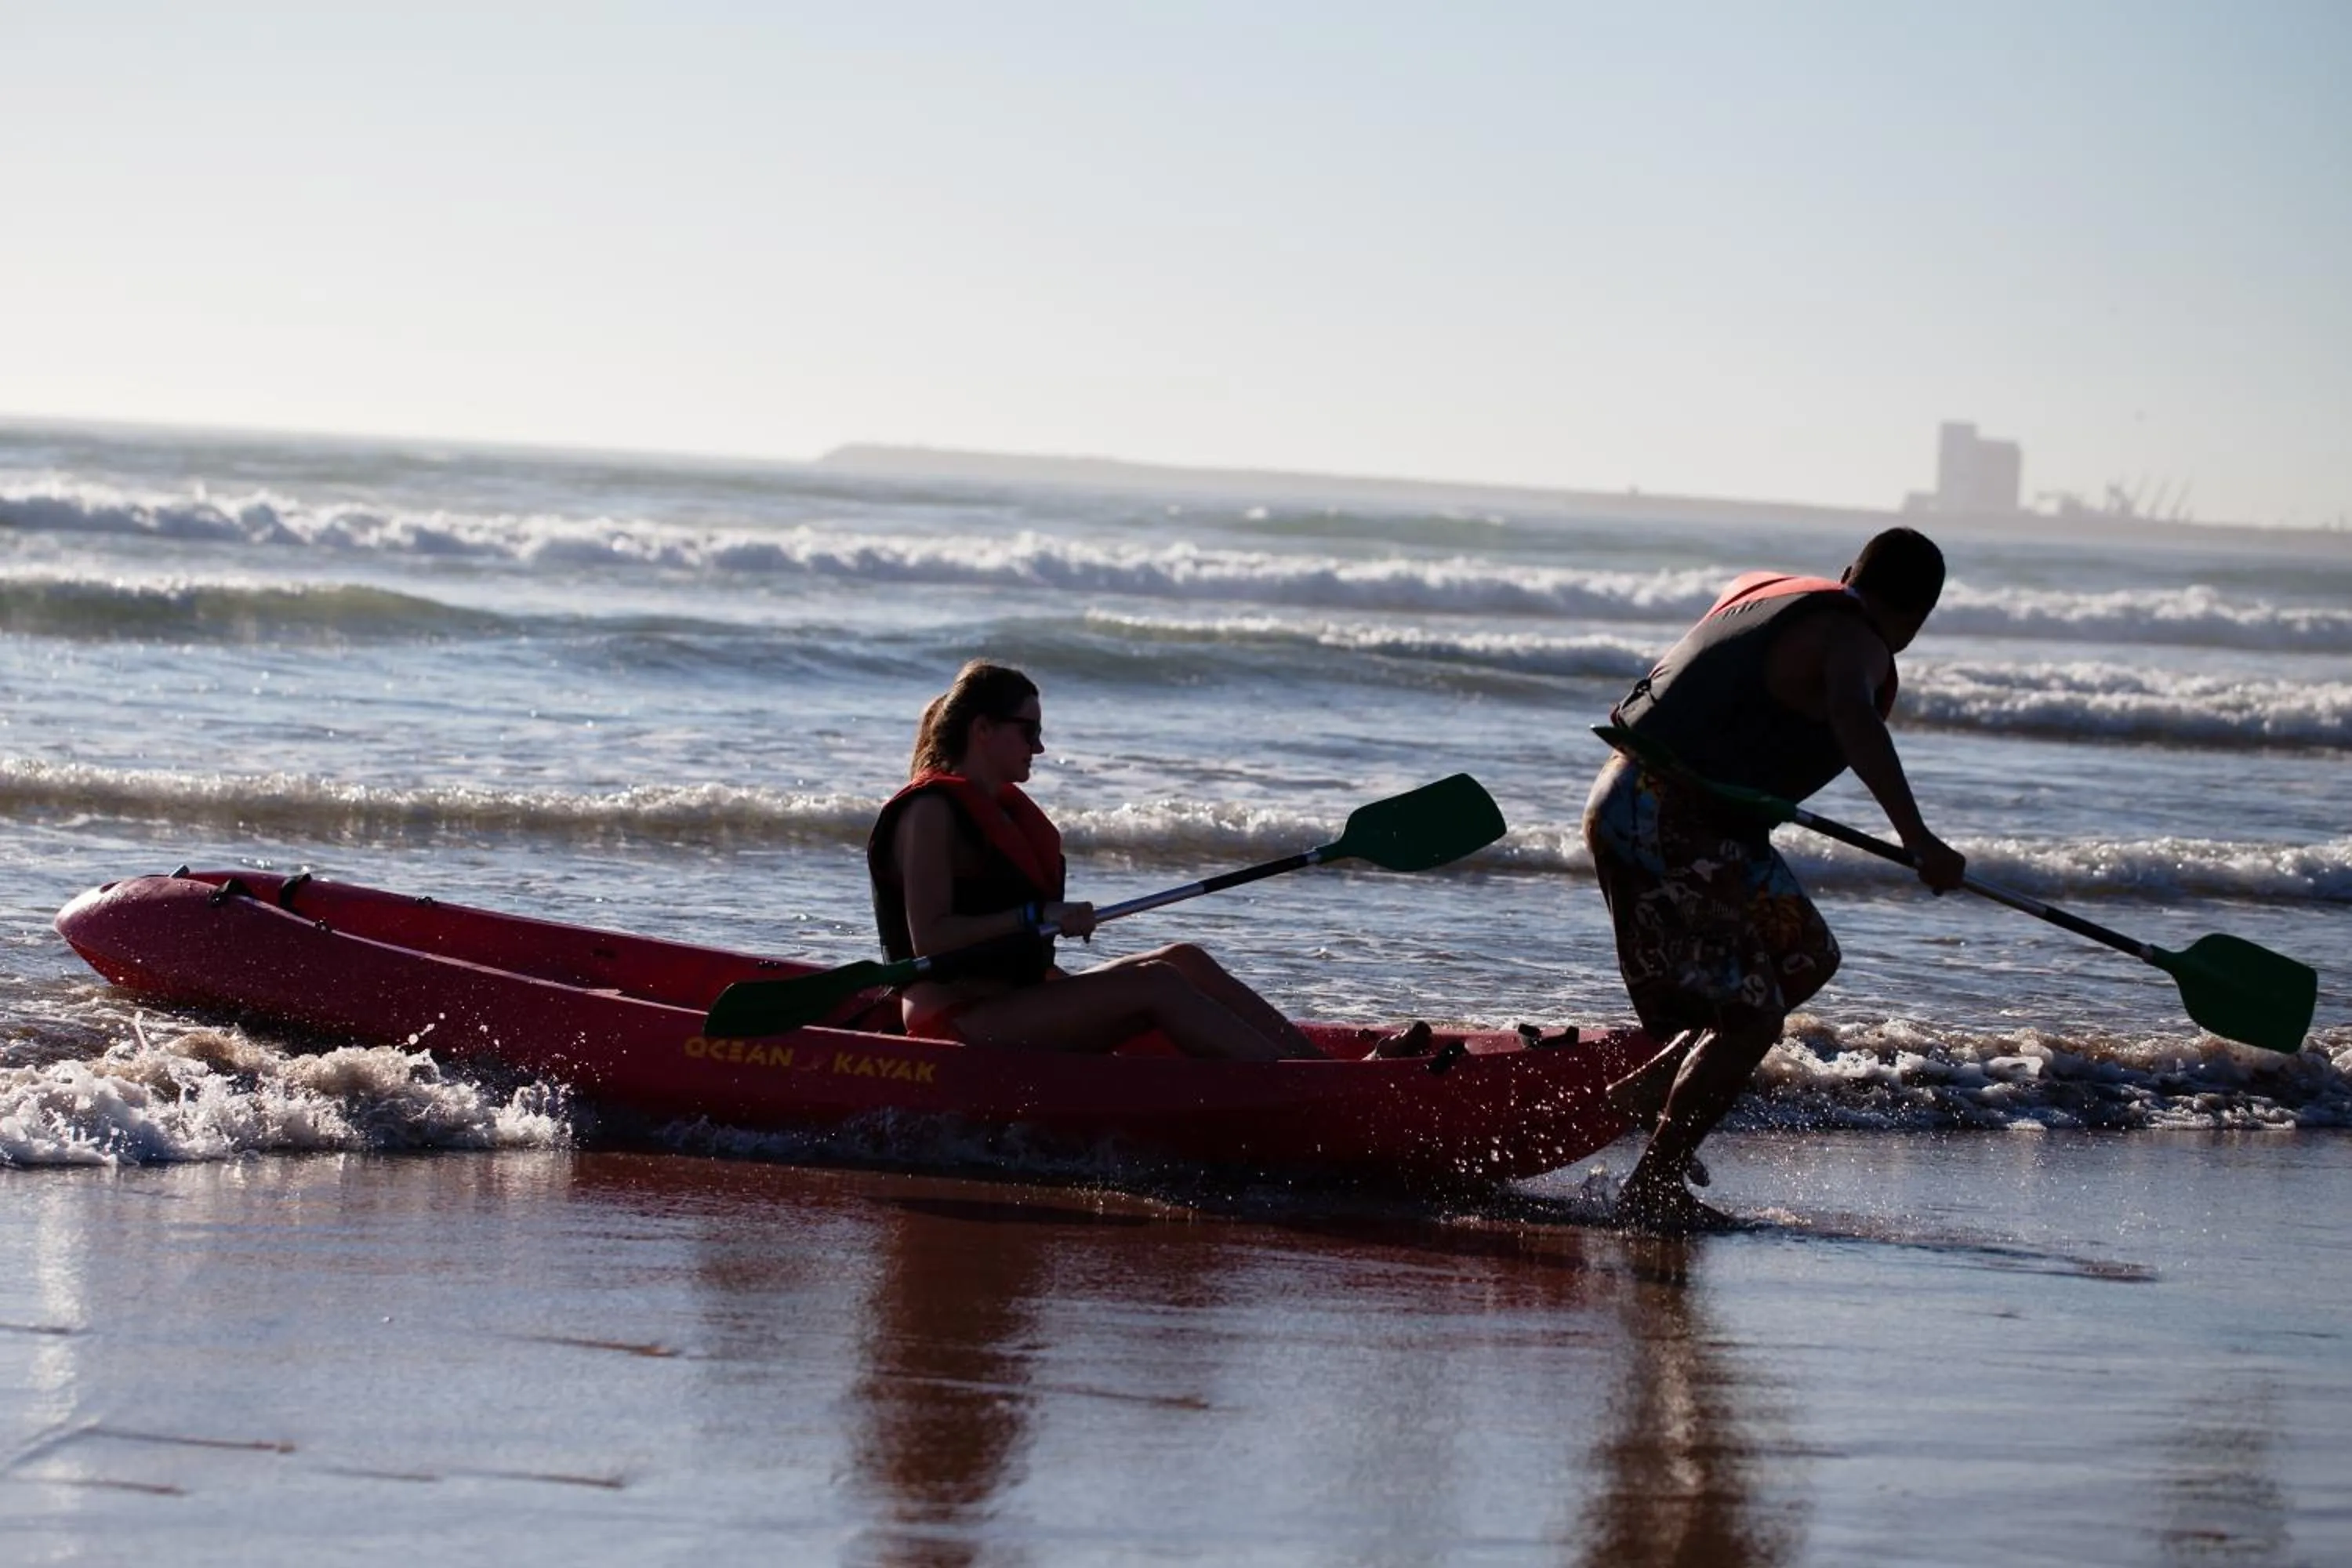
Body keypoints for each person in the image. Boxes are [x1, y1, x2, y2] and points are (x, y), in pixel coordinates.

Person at [1584, 527, 1966, 1230]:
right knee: (1754, 1016)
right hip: (1664, 817)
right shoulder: (1857, 637)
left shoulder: (1779, 596)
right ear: (1920, 615)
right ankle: (1654, 1184)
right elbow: (1854, 718)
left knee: (1805, 955)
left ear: (1849, 571)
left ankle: (1656, 1085)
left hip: (1668, 809)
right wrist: (1917, 839)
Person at [867, 660, 1327, 1062]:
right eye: (1029, 731)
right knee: (1158, 984)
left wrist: (1056, 946)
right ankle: (1304, 1094)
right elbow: (931, 939)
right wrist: (1037, 915)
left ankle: (1321, 1069)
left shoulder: (1000, 811)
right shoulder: (930, 811)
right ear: (982, 729)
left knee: (1184, 960)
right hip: (955, 1019)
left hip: (1016, 1001)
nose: (1039, 748)